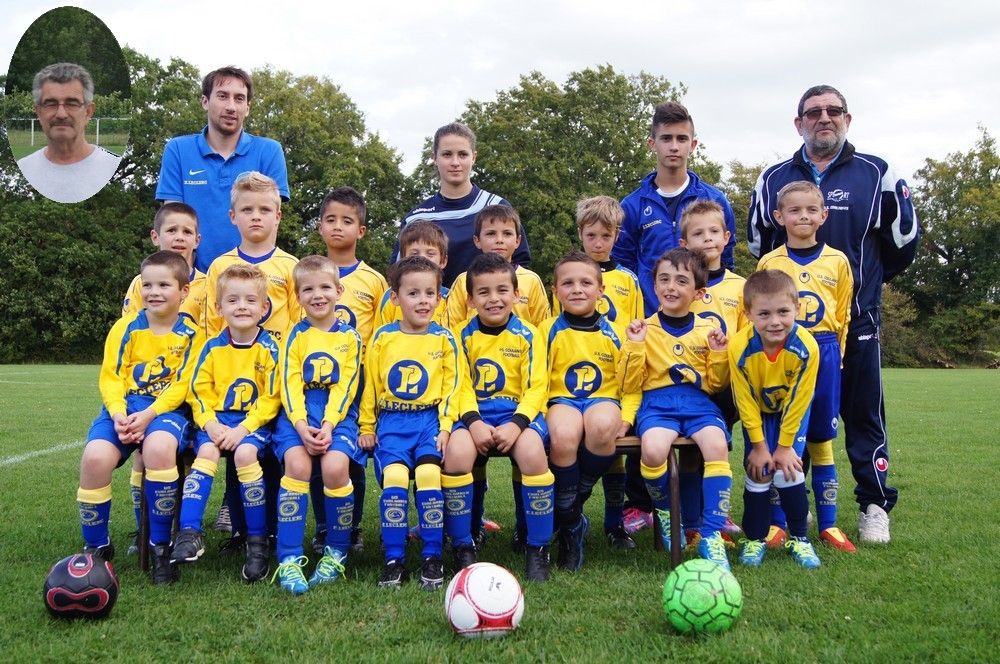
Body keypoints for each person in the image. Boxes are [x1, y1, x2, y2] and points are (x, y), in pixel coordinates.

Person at [747, 85, 920, 543]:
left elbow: (902, 246)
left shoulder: (877, 173)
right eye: (813, 112)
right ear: (798, 122)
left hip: (853, 322)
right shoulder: (772, 178)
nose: (824, 118)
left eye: (833, 110)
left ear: (847, 118)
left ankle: (874, 505)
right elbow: (760, 246)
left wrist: (865, 286)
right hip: (784, 335)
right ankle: (794, 505)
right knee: (788, 416)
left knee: (863, 415)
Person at [76, 250, 202, 583]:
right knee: (94, 458)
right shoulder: (125, 328)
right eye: (147, 285)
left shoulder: (193, 335)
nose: (153, 292)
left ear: (184, 291)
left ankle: (160, 547)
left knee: (158, 449)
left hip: (166, 412)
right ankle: (96, 548)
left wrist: (149, 414)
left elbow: (184, 384)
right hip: (123, 410)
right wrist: (119, 413)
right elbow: (111, 376)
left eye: (163, 285)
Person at [756, 181, 856, 553]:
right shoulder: (770, 263)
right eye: (794, 210)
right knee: (780, 440)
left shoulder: (837, 261)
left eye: (811, 210)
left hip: (824, 352)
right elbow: (759, 313)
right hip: (781, 353)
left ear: (824, 215)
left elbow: (843, 315)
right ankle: (778, 523)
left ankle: (829, 524)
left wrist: (836, 356)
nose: (803, 216)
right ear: (779, 216)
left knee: (820, 439)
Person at [203, 171, 299, 553]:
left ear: (278, 215)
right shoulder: (219, 267)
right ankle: (241, 531)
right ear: (233, 216)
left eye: (264, 209)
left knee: (271, 454)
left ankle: (271, 530)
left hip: (276, 380)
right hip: (232, 380)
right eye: (247, 210)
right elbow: (212, 330)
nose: (256, 216)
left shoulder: (290, 267)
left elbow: (299, 326)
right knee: (235, 451)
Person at [445, 253, 554, 581]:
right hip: (474, 415)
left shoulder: (529, 334)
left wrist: (517, 424)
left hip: (518, 414)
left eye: (502, 290)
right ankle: (463, 545)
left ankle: (537, 546)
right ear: (470, 300)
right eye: (484, 292)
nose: (494, 298)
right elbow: (459, 384)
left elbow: (537, 386)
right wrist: (473, 421)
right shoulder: (459, 336)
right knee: (457, 453)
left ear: (516, 294)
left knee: (532, 453)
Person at [625, 247, 733, 571]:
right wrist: (634, 346)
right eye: (664, 279)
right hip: (657, 404)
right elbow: (630, 382)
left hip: (698, 404)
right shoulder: (643, 328)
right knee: (653, 449)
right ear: (655, 285)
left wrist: (718, 353)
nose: (671, 287)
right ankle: (666, 513)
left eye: (681, 281)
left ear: (698, 292)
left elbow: (716, 384)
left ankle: (711, 534)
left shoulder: (706, 329)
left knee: (716, 446)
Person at [358, 256, 461, 590]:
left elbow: (452, 387)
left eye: (430, 293)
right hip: (392, 423)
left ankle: (432, 556)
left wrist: (445, 426)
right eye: (413, 293)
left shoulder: (444, 339)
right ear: (395, 297)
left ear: (439, 297)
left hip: (429, 422)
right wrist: (367, 426)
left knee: (429, 475)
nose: (423, 301)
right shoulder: (383, 338)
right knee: (396, 478)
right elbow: (371, 385)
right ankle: (394, 559)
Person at [178, 263, 281, 583]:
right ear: (219, 307)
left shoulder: (269, 348)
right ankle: (189, 533)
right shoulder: (211, 348)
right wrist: (210, 424)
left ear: (264, 308)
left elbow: (272, 397)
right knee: (206, 452)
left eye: (250, 300)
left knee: (245, 454)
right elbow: (198, 392)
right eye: (233, 300)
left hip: (253, 425)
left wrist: (244, 428)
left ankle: (257, 543)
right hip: (217, 423)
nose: (242, 307)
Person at [267, 256, 364, 594]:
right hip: (296, 416)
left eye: (325, 287)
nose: (318, 295)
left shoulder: (350, 338)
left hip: (338, 416)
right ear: (298, 296)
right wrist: (300, 424)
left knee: (336, 467)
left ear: (339, 291)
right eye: (308, 289)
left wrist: (328, 424)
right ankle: (289, 557)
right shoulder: (294, 336)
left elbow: (347, 385)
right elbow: (289, 383)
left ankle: (336, 550)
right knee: (297, 466)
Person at [540, 251, 641, 572]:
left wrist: (628, 417)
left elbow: (632, 383)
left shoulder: (618, 332)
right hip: (562, 400)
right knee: (563, 434)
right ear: (555, 291)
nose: (577, 289)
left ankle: (569, 506)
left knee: (601, 427)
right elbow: (537, 378)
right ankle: (572, 527)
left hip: (604, 399)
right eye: (568, 283)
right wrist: (539, 412)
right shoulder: (546, 330)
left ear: (601, 290)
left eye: (586, 283)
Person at [119, 202, 206, 556]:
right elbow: (130, 338)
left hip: (190, 391)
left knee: (180, 455)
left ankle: (182, 530)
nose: (179, 237)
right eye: (172, 230)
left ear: (197, 240)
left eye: (186, 231)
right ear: (156, 237)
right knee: (144, 453)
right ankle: (145, 530)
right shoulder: (141, 283)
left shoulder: (206, 284)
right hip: (146, 392)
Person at [556, 196, 642, 551]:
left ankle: (613, 523)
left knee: (612, 448)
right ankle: (567, 516)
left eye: (606, 236)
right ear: (580, 233)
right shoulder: (569, 275)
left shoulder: (627, 280)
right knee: (567, 437)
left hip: (613, 378)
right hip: (571, 382)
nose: (598, 242)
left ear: (616, 235)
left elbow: (637, 330)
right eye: (591, 235)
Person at [729, 270, 822, 569]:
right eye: (764, 314)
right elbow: (744, 399)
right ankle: (754, 539)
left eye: (783, 312)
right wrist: (759, 446)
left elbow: (799, 400)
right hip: (757, 413)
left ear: (797, 307)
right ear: (748, 314)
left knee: (788, 470)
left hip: (791, 414)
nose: (775, 321)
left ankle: (800, 538)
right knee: (759, 471)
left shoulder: (807, 347)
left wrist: (784, 446)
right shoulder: (739, 347)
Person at [156, 66, 289, 273]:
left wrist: (251, 278)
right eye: (222, 96)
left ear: (248, 107)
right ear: (205, 101)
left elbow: (270, 225)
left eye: (239, 99)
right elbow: (173, 223)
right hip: (193, 279)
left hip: (249, 280)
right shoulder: (178, 150)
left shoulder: (269, 151)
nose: (231, 107)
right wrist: (184, 278)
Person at [314, 185, 388, 555]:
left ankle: (352, 525)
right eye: (330, 220)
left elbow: (384, 335)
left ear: (361, 230)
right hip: (316, 383)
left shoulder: (374, 280)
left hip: (357, 383)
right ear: (320, 227)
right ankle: (323, 526)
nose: (337, 227)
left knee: (352, 453)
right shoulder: (308, 273)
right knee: (318, 452)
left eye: (347, 221)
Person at [613, 101, 737, 316]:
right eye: (666, 138)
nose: (674, 146)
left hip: (705, 320)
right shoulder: (632, 206)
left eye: (681, 139)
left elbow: (725, 260)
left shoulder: (715, 200)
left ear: (693, 144)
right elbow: (622, 270)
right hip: (651, 320)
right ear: (652, 143)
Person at [677, 200, 747, 547]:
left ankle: (715, 521)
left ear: (726, 237)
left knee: (717, 450)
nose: (707, 238)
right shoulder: (681, 285)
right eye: (698, 233)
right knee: (691, 454)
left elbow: (747, 337)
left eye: (714, 231)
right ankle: (692, 525)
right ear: (684, 243)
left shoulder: (740, 286)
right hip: (691, 385)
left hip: (726, 386)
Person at [394, 122, 529, 287]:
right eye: (447, 154)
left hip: (489, 303)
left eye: (463, 154)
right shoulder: (416, 218)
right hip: (432, 303)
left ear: (474, 157)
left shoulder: (497, 207)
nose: (455, 162)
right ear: (434, 158)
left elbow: (521, 268)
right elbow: (398, 276)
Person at [17, 62, 121, 203]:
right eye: (51, 104)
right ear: (39, 112)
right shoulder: (23, 169)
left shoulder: (113, 167)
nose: (61, 114)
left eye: (72, 103)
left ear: (88, 112)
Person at [446, 205, 549, 327]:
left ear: (517, 241)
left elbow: (542, 328)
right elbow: (451, 329)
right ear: (477, 240)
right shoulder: (463, 280)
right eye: (491, 234)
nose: (499, 240)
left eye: (507, 234)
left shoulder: (531, 280)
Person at [376, 220, 451, 328]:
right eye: (414, 254)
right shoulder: (390, 297)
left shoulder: (450, 299)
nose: (422, 258)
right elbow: (380, 334)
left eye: (430, 254)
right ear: (403, 259)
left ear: (443, 261)